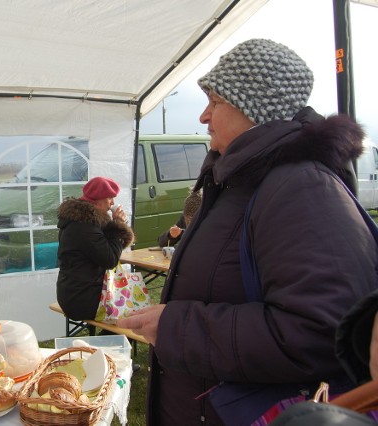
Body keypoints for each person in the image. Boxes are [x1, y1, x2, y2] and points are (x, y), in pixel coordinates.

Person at [117, 38, 378, 425]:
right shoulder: (243, 181)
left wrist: (177, 327)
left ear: (256, 109)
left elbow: (321, 331)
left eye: (216, 101)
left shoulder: (301, 187)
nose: (204, 116)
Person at [56, 176, 134, 322]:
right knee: (130, 315)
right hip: (81, 299)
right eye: (110, 197)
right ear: (98, 199)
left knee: (130, 309)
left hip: (74, 292)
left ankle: (107, 342)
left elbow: (106, 248)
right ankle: (108, 343)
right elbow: (110, 259)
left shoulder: (80, 220)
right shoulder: (84, 226)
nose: (113, 203)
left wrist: (114, 226)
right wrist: (117, 225)